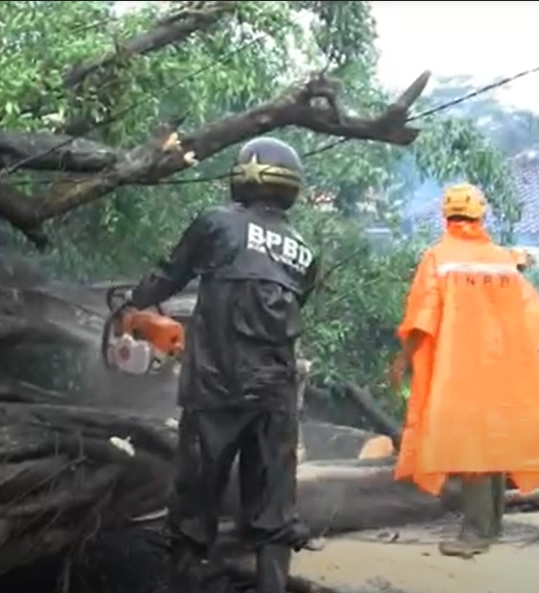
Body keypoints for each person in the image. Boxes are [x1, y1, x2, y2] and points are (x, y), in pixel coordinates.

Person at [124, 136, 319, 593]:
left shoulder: (216, 224)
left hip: (216, 387)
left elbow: (170, 276)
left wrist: (134, 303)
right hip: (275, 394)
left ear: (244, 174)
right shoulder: (304, 253)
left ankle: (184, 583)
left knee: (195, 501)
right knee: (274, 507)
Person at [389, 183, 539, 558]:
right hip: (502, 366)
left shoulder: (438, 258)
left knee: (470, 444)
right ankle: (492, 526)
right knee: (494, 441)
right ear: (480, 214)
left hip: (461, 366)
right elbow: (534, 319)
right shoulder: (502, 260)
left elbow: (422, 318)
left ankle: (474, 534)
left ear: (446, 215)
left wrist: (404, 359)